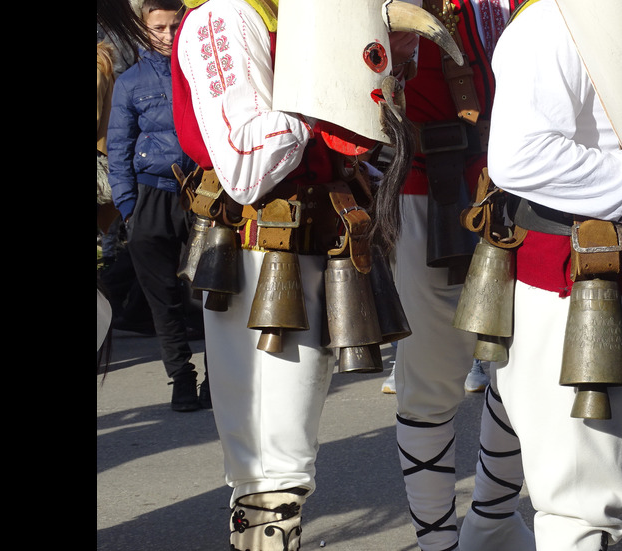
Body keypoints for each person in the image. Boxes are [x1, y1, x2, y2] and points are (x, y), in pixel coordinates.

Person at [171, 0, 435, 548]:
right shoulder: (225, 17)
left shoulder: (293, 15)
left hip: (315, 239)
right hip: (261, 251)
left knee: (287, 451)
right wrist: (329, 98)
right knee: (271, 457)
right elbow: (244, 164)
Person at [484, 0, 622, 549]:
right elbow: (516, 157)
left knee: (541, 497)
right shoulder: (552, 22)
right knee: (581, 513)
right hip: (575, 287)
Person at [387, 2, 534, 550]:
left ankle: (493, 520)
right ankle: (436, 542)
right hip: (431, 191)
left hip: (529, 193)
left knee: (522, 366)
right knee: (430, 381)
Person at [107, 0, 206, 412]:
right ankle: (181, 377)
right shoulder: (129, 81)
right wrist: (129, 207)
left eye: (174, 26)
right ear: (143, 28)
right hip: (150, 197)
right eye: (159, 28)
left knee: (208, 294)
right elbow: (118, 147)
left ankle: (219, 380)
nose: (167, 36)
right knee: (162, 297)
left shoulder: (203, 70)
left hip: (204, 195)